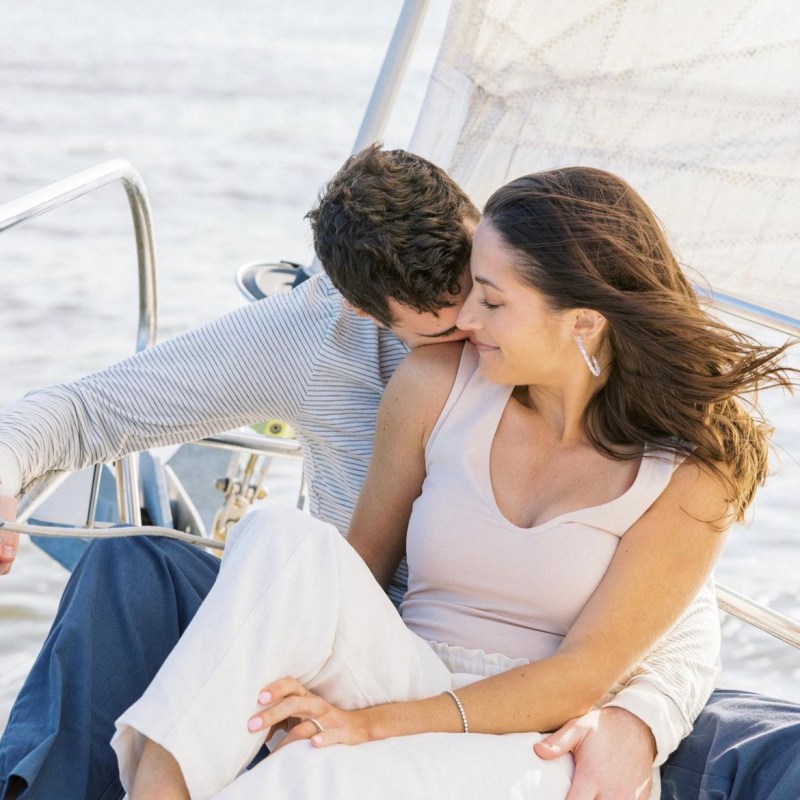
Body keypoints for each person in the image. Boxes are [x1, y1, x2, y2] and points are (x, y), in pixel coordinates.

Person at [0, 148, 796, 800]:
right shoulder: (389, 363)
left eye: (482, 292)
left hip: (544, 700)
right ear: (362, 310)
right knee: (197, 553)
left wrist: (642, 716)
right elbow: (89, 413)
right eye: (444, 314)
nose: (468, 326)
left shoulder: (673, 453)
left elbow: (653, 624)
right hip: (394, 647)